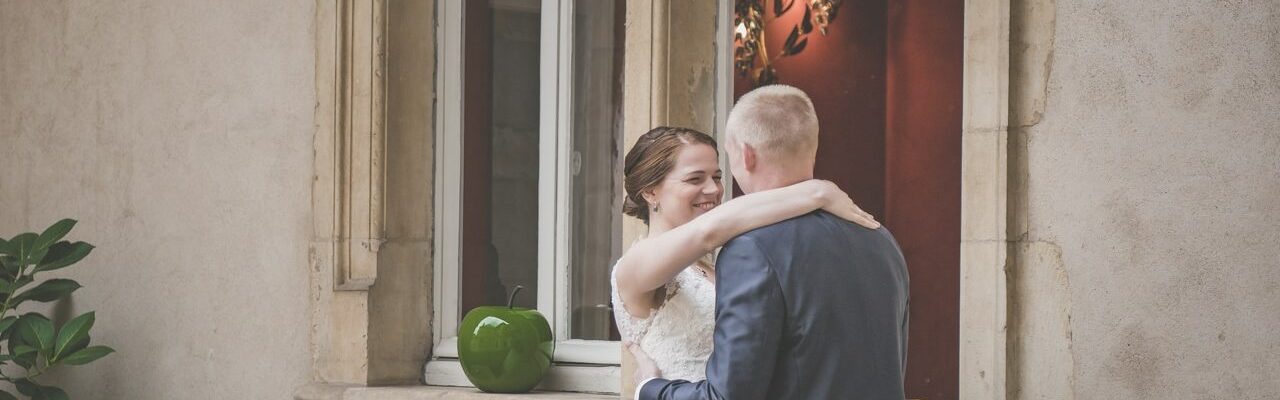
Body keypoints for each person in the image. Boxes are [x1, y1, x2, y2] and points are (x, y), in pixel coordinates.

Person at [631, 85, 911, 400]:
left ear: (746, 154)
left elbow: (729, 396)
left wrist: (649, 390)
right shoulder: (880, 239)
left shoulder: (752, 249)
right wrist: (820, 191)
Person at [611, 125, 880, 382]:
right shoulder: (634, 265)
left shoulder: (708, 266)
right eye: (695, 178)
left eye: (717, 176)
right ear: (650, 192)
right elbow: (708, 232)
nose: (714, 189)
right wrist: (818, 192)